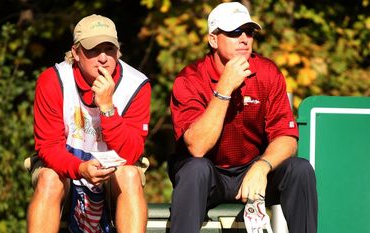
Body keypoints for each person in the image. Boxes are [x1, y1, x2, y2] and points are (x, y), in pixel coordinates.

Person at [168, 2, 318, 233]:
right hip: (207, 173)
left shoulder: (268, 72)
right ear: (213, 40)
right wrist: (224, 90)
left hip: (252, 171)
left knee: (300, 169)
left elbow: (287, 137)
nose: (244, 38)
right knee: (195, 169)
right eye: (234, 32)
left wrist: (262, 166)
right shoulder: (189, 79)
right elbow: (197, 147)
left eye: (249, 32)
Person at [26, 14, 150, 233]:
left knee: (130, 176)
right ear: (75, 52)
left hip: (116, 168)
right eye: (93, 50)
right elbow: (48, 146)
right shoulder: (53, 81)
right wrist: (80, 168)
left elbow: (132, 153)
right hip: (64, 165)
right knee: (48, 179)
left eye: (109, 49)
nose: (103, 58)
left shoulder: (137, 84)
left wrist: (108, 108)